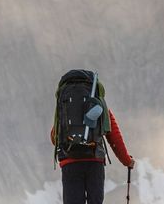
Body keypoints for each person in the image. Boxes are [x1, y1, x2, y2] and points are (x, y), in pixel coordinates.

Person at [50, 69, 134, 204]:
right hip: (94, 161)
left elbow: (54, 137)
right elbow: (113, 135)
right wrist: (127, 161)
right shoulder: (99, 104)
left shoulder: (64, 104)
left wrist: (73, 137)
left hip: (70, 162)